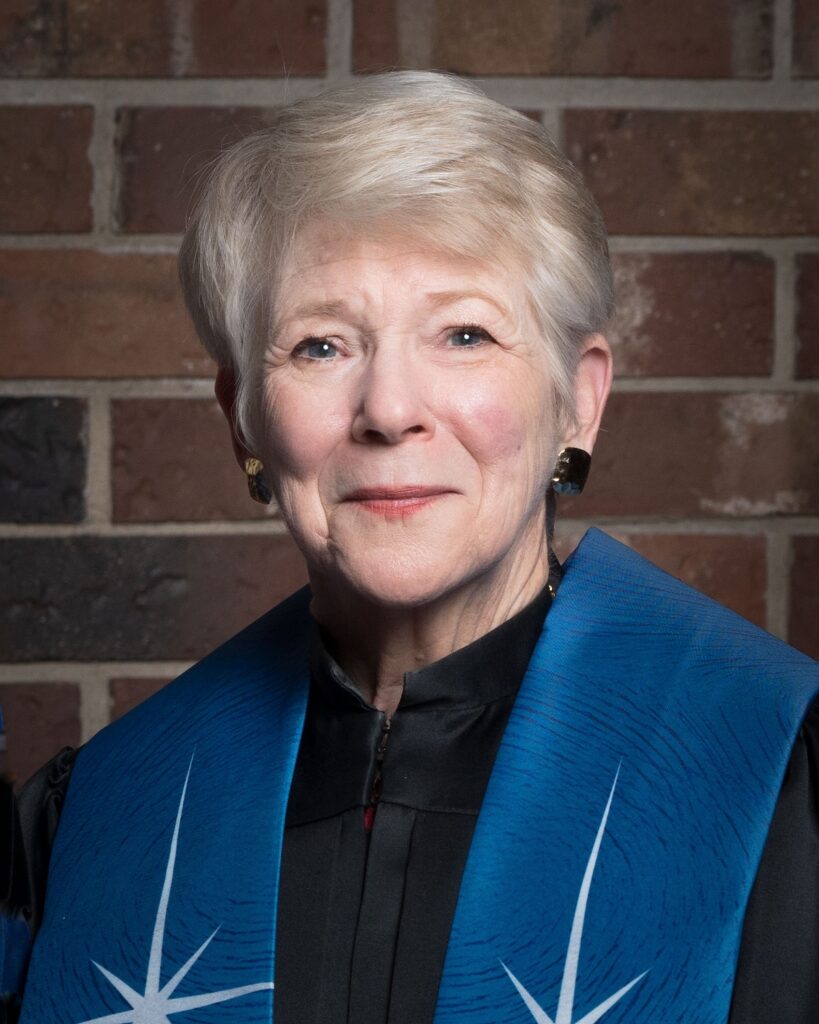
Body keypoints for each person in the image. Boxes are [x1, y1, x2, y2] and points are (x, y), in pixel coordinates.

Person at [5, 72, 818, 1024]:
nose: (389, 410)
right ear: (241, 419)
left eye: (464, 334)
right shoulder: (98, 820)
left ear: (578, 400)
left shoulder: (775, 776)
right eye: (320, 346)